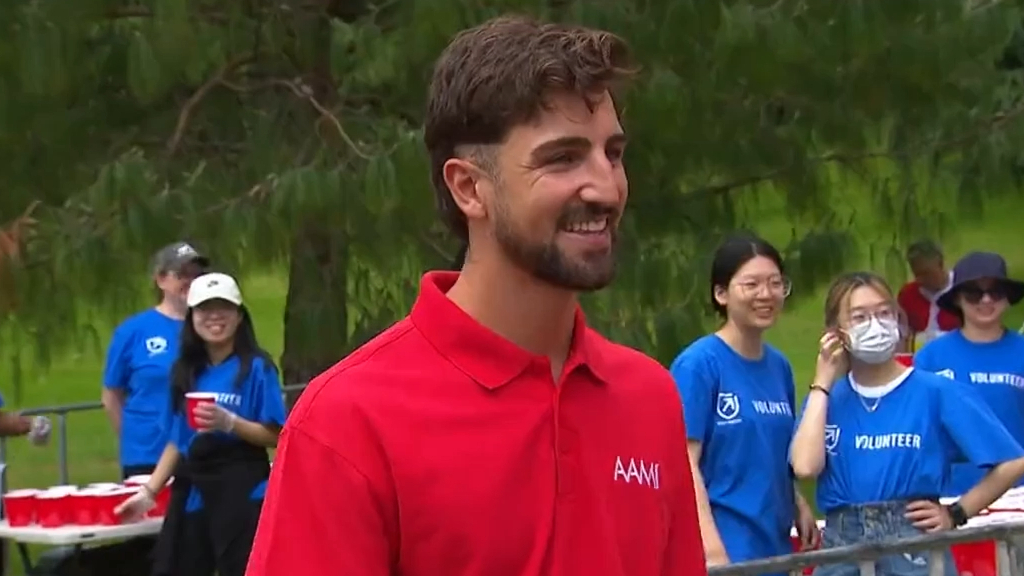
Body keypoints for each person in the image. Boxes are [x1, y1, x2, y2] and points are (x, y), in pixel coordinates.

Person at [245, 15, 706, 576]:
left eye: (612, 152)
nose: (606, 187)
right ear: (468, 187)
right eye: (562, 158)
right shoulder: (346, 423)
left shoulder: (648, 397)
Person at [790, 271, 1024, 576]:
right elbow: (805, 467)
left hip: (913, 545)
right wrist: (822, 381)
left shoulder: (936, 390)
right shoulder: (827, 400)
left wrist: (956, 513)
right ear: (836, 331)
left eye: (883, 312)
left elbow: (1010, 460)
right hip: (841, 547)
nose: (875, 324)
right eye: (859, 317)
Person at [115, 272, 286, 576]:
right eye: (205, 309)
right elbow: (178, 440)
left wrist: (230, 423)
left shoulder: (256, 368)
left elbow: (276, 434)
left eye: (224, 308)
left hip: (242, 483)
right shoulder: (185, 371)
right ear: (192, 316)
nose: (215, 317)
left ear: (238, 316)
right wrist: (149, 492)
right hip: (193, 483)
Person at [670, 235, 818, 572]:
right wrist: (711, 548)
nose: (765, 295)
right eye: (751, 284)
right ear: (721, 294)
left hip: (774, 546)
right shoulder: (699, 365)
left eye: (775, 283)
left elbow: (768, 450)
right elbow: (682, 462)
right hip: (725, 550)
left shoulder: (779, 367)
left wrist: (796, 501)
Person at [914, 251, 1024, 496]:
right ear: (957, 299)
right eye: (974, 293)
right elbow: (918, 427)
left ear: (1007, 298)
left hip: (1018, 491)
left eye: (995, 292)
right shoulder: (931, 357)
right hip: (951, 492)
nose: (986, 300)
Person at [102, 241, 209, 479]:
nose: (191, 282)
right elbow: (111, 395)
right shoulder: (133, 331)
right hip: (147, 455)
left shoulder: (212, 327)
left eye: (197, 275)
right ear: (161, 280)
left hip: (201, 452)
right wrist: (132, 439)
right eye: (182, 274)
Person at [896, 240, 958, 351]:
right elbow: (902, 334)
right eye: (917, 274)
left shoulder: (964, 291)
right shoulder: (907, 294)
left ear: (940, 264)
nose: (920, 280)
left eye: (926, 273)